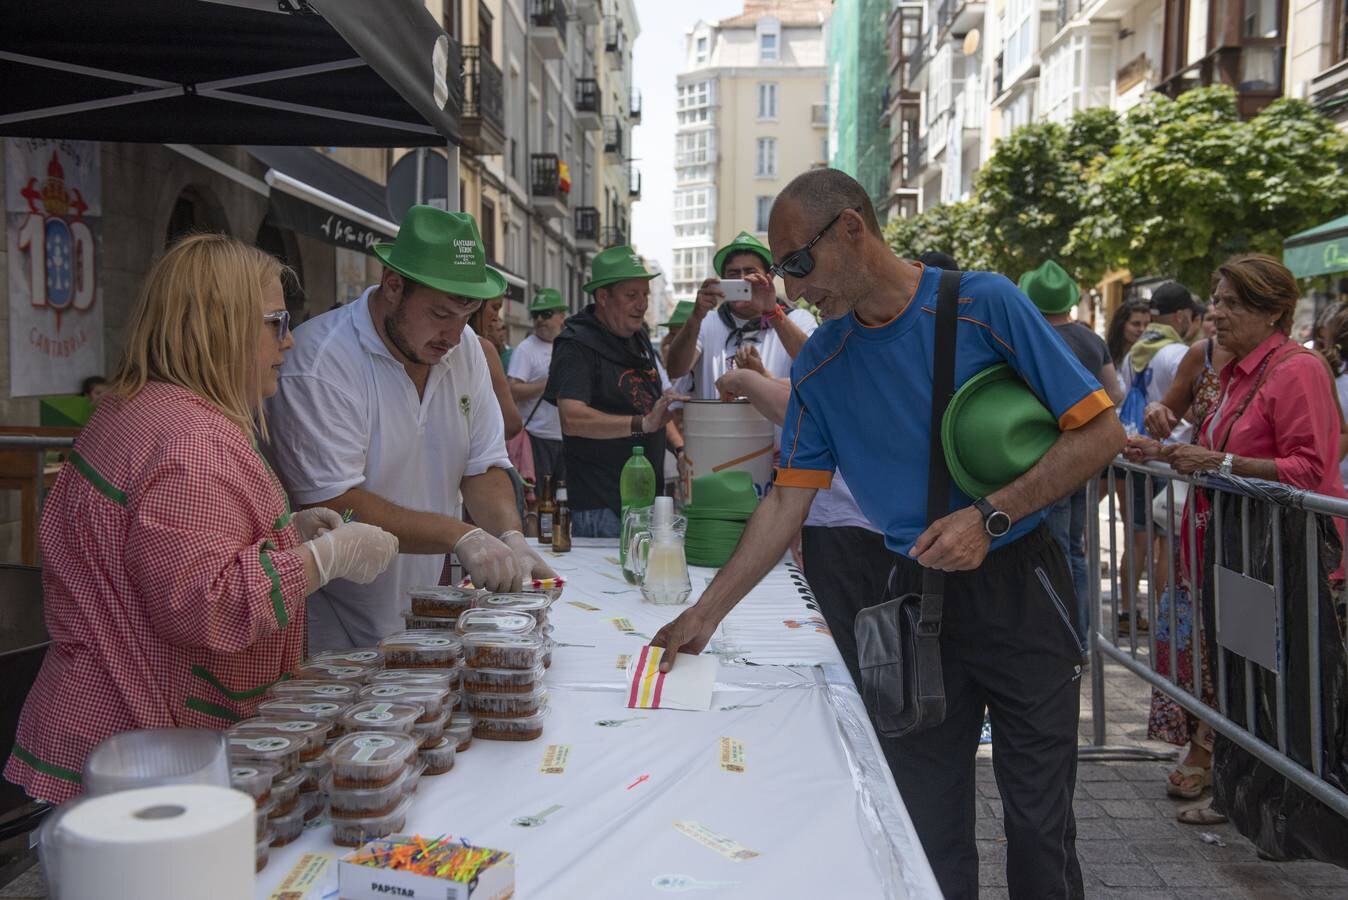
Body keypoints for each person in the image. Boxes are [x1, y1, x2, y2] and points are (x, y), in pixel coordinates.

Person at [653, 168, 1124, 900]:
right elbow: (785, 504)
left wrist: (990, 515)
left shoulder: (983, 304)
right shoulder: (823, 363)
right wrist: (703, 615)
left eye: (798, 265)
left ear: (851, 228)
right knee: (926, 828)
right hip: (914, 604)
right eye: (784, 274)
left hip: (1020, 587)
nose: (796, 291)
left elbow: (1100, 431)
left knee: (1038, 827)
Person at [3, 234, 398, 803]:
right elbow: (204, 604)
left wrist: (287, 537)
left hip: (109, 736)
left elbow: (166, 555)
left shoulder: (133, 406)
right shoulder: (194, 443)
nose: (287, 342)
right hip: (139, 751)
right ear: (221, 326)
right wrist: (322, 560)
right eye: (275, 321)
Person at [1126, 256, 1348, 855]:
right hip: (1243, 559)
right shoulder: (1236, 372)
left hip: (1288, 563)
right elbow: (1215, 447)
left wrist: (1216, 463)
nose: (1215, 314)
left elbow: (1310, 470)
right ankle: (1251, 801)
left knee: (1285, 695)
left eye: (1231, 304)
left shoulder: (1296, 371)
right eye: (1216, 300)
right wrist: (1164, 450)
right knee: (1246, 685)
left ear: (1273, 311)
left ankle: (1294, 816)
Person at [266, 206, 555, 649]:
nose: (454, 336)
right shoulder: (320, 362)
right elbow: (335, 502)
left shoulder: (467, 352)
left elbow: (483, 466)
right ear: (394, 286)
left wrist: (507, 536)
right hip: (332, 627)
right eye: (440, 314)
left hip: (423, 614)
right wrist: (462, 535)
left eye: (466, 316)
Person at [543, 246, 684, 538]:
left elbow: (652, 405)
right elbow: (572, 418)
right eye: (631, 295)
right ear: (603, 297)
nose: (642, 304)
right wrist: (639, 425)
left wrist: (681, 449)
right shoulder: (575, 344)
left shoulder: (638, 336)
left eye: (645, 294)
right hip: (602, 506)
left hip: (645, 500)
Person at [1022, 259, 1122, 641]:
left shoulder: (1033, 338)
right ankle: (1080, 635)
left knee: (1054, 550)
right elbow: (1114, 394)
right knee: (1076, 552)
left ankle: (1058, 637)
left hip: (1047, 458)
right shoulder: (1092, 340)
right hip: (1088, 458)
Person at [1116, 283, 1200, 631]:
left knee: (1136, 539)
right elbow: (1196, 408)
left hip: (1138, 455)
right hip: (1170, 461)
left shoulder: (1134, 352)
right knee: (1168, 544)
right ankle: (1164, 617)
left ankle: (1127, 612)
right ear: (1181, 316)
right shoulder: (1178, 353)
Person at [664, 231, 816, 394]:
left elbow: (816, 366)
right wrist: (695, 317)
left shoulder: (799, 319)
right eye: (733, 274)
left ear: (768, 278)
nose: (743, 279)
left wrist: (772, 312)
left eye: (751, 272)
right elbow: (675, 370)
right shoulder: (706, 322)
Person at [507, 289, 568, 485]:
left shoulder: (570, 345)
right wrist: (549, 383)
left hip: (568, 436)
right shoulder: (526, 349)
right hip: (537, 438)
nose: (540, 319)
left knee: (565, 501)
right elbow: (512, 390)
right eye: (535, 315)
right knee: (542, 502)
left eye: (546, 314)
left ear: (561, 316)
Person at [470, 293, 522, 440]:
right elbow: (511, 424)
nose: (496, 318)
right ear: (475, 305)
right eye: (494, 307)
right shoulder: (482, 347)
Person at [1105, 299, 1151, 385]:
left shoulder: (1153, 356)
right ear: (1121, 325)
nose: (1142, 329)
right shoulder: (1106, 355)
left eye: (1147, 325)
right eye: (1136, 324)